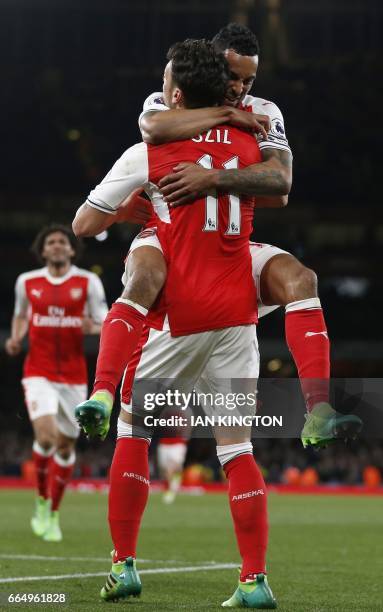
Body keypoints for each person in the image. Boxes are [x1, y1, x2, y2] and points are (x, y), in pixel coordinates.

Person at [75, 23, 361, 451]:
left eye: (249, 80)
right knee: (146, 275)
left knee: (302, 279)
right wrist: (230, 120)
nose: (240, 88)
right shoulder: (168, 99)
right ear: (210, 66)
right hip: (165, 226)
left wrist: (214, 179)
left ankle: (318, 408)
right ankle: (103, 391)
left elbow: (280, 185)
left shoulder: (265, 110)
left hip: (226, 240)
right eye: (233, 76)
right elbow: (153, 132)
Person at [74, 39, 277, 609]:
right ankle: (254, 580)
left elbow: (84, 224)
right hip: (238, 311)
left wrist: (129, 205)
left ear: (178, 93)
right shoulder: (249, 141)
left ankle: (124, 566)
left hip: (180, 311)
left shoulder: (150, 149)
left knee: (134, 427)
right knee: (237, 448)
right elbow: (278, 183)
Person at [5, 224, 108, 542]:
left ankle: (53, 512)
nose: (57, 245)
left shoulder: (87, 281)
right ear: (43, 250)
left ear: (72, 250)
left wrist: (88, 326)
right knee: (47, 437)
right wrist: (16, 337)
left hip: (74, 377)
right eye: (51, 242)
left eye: (63, 241)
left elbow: (103, 320)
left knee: (65, 446)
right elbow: (21, 315)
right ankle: (40, 500)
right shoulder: (27, 282)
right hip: (38, 371)